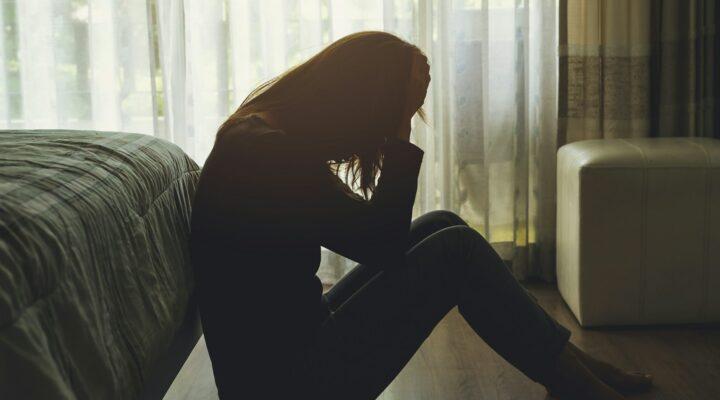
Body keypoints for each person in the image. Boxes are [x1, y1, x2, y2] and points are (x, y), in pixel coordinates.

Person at [189, 31, 652, 400]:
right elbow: (382, 244)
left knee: (442, 224)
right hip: (292, 384)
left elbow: (370, 237)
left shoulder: (260, 135)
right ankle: (576, 381)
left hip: (281, 363)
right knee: (457, 251)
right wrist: (399, 131)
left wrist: (396, 113)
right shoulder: (270, 154)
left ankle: (567, 365)